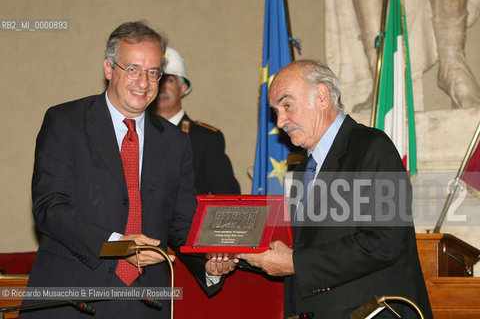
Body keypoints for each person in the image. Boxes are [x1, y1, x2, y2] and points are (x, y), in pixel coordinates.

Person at [21, 21, 234, 319]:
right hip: (71, 298)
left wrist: (208, 263)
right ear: (109, 69)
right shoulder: (65, 122)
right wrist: (115, 246)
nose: (143, 82)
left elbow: (182, 222)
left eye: (152, 72)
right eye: (132, 69)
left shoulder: (176, 143)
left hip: (146, 303)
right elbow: (49, 208)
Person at [238, 60, 433, 318]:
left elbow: (384, 242)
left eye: (286, 105)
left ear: (321, 97)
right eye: (276, 111)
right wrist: (237, 257)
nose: (280, 121)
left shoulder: (372, 147)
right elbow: (303, 249)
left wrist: (294, 263)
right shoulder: (301, 172)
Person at [150, 47, 240, 195]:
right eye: (157, 80)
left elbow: (227, 198)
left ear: (183, 88)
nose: (161, 88)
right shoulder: (136, 133)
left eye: (170, 81)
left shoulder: (205, 139)